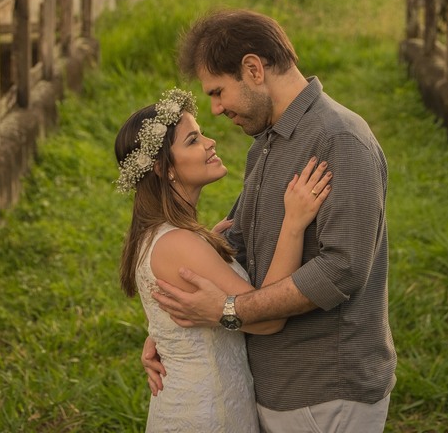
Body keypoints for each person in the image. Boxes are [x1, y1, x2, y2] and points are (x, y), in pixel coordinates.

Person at [147, 9, 396, 432]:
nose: (217, 107)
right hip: (275, 384)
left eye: (219, 92)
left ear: (253, 68)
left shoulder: (339, 139)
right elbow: (240, 239)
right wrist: (175, 328)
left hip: (325, 389)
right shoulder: (268, 141)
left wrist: (228, 310)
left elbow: (343, 269)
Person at [117, 87, 331, 433]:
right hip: (209, 413)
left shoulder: (168, 235)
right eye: (193, 140)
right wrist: (293, 224)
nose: (211, 142)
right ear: (163, 169)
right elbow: (267, 321)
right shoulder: (180, 243)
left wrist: (162, 334)